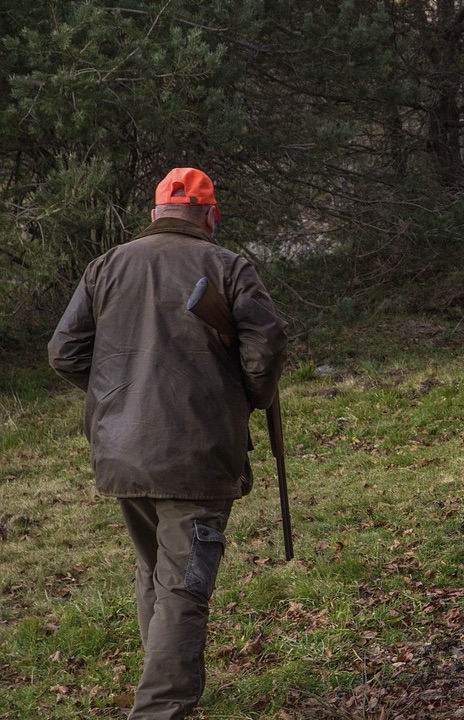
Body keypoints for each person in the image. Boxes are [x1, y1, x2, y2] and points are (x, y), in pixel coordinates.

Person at [48, 167, 287, 719]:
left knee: (156, 572)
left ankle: (164, 681)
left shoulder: (107, 265)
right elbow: (267, 344)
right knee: (184, 588)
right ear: (209, 215)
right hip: (195, 458)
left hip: (121, 454)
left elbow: (64, 352)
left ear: (157, 214)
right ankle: (159, 710)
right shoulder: (228, 265)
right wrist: (246, 396)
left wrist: (118, 398)